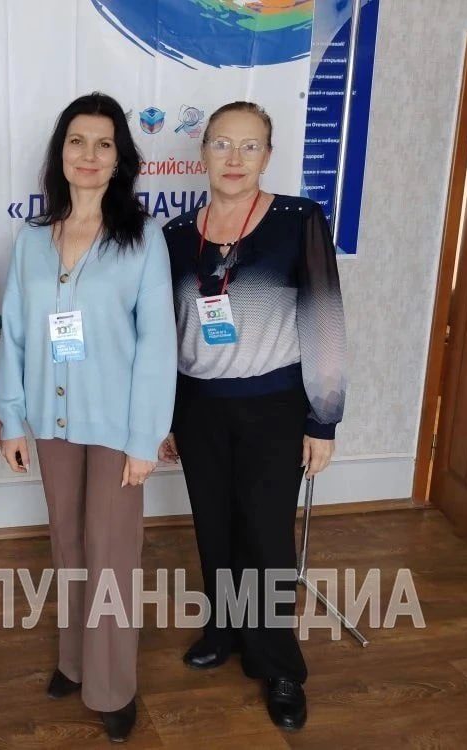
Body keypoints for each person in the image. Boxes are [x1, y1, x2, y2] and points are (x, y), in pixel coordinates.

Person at [159, 101, 347, 732]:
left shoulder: (298, 221)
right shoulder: (175, 236)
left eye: (249, 146)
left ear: (268, 155)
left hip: (274, 407)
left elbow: (324, 320)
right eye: (222, 144)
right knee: (214, 528)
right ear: (202, 153)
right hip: (199, 408)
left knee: (266, 537)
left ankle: (278, 663)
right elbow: (167, 334)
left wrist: (322, 420)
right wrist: (164, 415)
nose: (234, 158)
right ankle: (225, 628)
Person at [0, 92, 177, 743]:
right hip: (52, 423)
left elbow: (157, 344)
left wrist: (145, 438)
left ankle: (112, 686)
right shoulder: (32, 240)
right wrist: (11, 418)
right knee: (68, 544)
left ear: (120, 158)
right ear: (61, 154)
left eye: (104, 143)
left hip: (117, 428)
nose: (90, 155)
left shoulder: (143, 239)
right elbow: (15, 334)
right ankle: (74, 662)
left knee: (112, 554)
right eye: (78, 141)